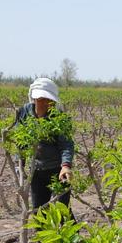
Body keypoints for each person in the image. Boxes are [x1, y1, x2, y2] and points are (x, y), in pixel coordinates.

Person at [14, 77, 74, 209]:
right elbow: (20, 141)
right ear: (34, 99)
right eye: (42, 99)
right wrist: (19, 164)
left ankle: (71, 230)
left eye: (49, 100)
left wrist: (66, 166)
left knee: (62, 211)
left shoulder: (60, 117)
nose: (46, 103)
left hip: (57, 170)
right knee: (39, 211)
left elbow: (67, 144)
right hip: (36, 171)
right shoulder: (24, 113)